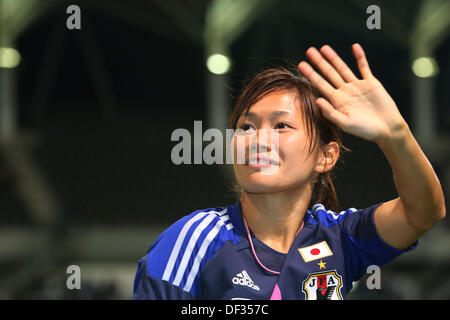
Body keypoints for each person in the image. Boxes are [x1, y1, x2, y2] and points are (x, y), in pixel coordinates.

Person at [132, 44, 446, 300]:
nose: (258, 139)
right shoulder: (194, 239)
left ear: (326, 156)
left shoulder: (340, 238)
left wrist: (396, 135)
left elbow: (423, 213)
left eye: (281, 125)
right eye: (246, 127)